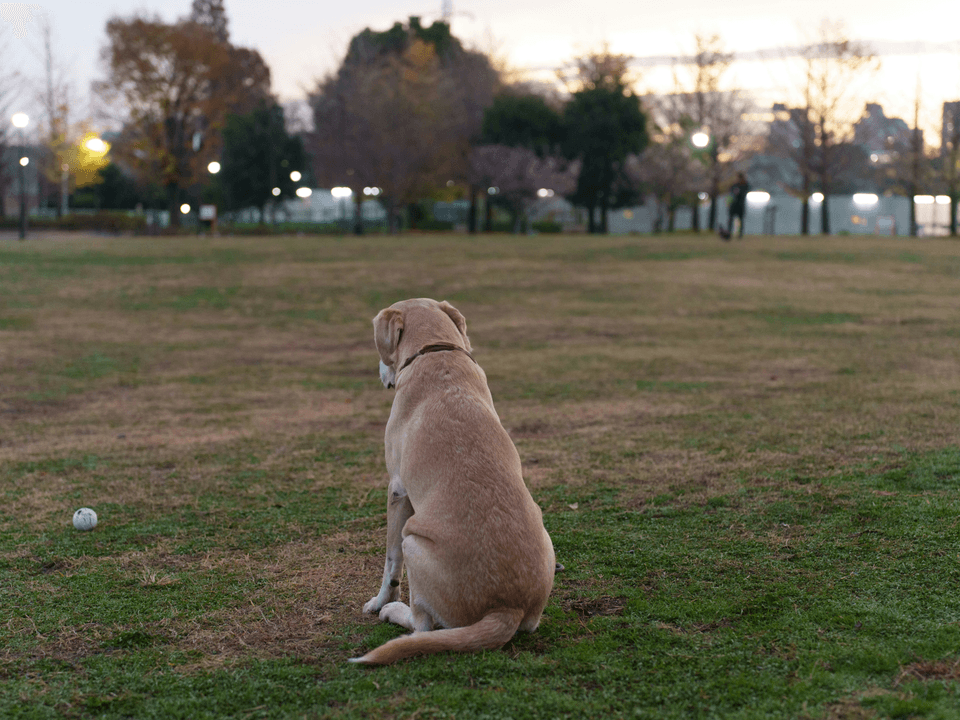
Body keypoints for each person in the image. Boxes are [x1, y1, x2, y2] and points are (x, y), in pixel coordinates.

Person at [720, 173, 749, 240]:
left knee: (740, 220)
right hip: (733, 205)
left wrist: (740, 192)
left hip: (740, 205)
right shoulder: (734, 185)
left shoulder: (745, 185)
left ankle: (740, 235)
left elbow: (745, 192)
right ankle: (729, 234)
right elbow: (730, 193)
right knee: (730, 220)